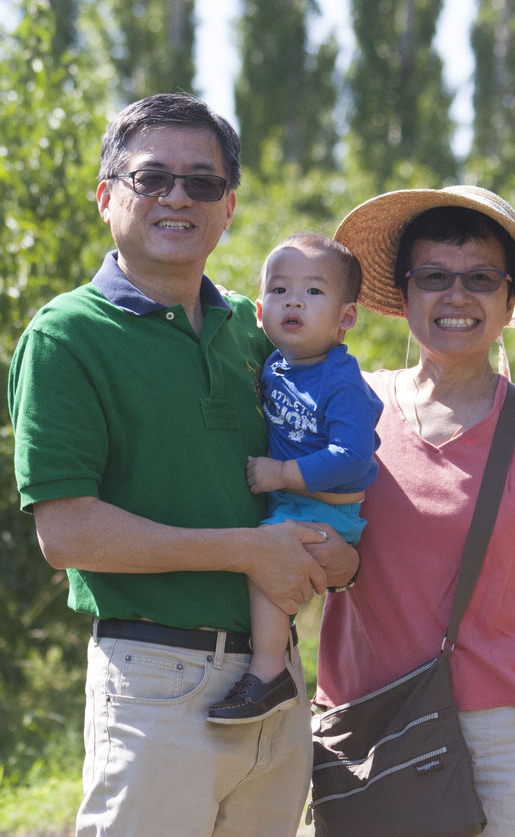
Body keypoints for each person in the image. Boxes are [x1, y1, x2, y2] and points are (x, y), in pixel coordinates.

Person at [7, 93, 359, 836]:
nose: (177, 196)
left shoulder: (255, 335)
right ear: (106, 197)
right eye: (150, 177)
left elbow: (335, 458)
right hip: (154, 678)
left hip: (278, 681)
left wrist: (339, 554)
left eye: (202, 182)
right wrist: (248, 550)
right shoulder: (66, 337)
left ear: (227, 208)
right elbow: (66, 534)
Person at [314, 185, 515, 837]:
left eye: (479, 278)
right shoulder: (349, 407)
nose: (457, 296)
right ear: (404, 293)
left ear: (508, 299)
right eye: (435, 277)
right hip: (371, 727)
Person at [206, 233, 382, 725]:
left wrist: (281, 472)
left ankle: (269, 674)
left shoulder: (341, 380)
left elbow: (351, 457)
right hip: (297, 502)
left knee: (268, 555)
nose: (295, 301)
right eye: (281, 291)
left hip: (325, 510)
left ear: (346, 317)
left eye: (314, 292)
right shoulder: (276, 364)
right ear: (262, 311)